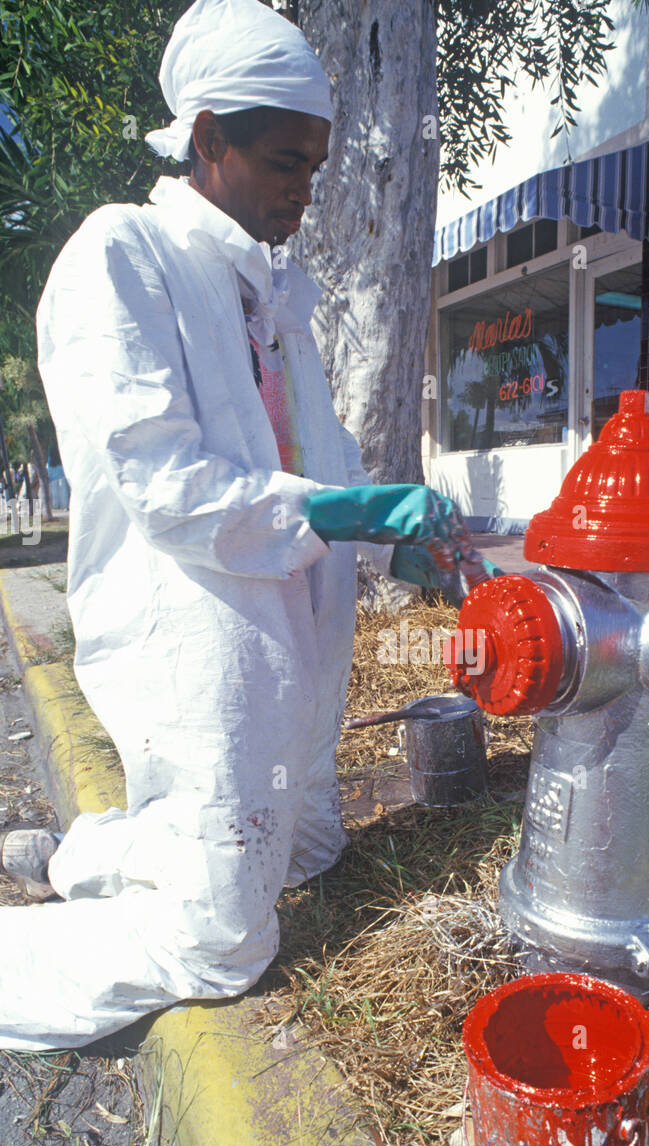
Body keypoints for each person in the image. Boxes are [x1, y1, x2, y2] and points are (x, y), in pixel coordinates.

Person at [0, 0, 493, 1051]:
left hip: (297, 644)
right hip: (199, 641)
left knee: (307, 845)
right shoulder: (120, 258)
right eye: (283, 165)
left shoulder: (270, 294)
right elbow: (164, 481)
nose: (302, 195)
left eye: (314, 170)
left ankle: (79, 858)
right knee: (222, 940)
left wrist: (387, 538)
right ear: (208, 135)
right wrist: (342, 512)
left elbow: (318, 467)